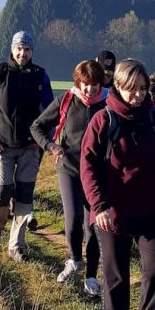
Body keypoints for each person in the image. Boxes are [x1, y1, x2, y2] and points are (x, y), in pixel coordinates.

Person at [80, 58, 155, 310]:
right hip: (112, 214)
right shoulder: (104, 120)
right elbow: (88, 166)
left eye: (142, 89)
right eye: (130, 89)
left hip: (153, 209)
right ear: (118, 87)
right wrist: (98, 206)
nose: (137, 95)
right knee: (115, 276)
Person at [0, 30, 53, 261]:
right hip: (3, 148)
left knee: (24, 198)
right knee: (2, 194)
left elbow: (51, 112)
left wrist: (42, 143)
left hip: (30, 149)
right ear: (12, 49)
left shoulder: (40, 76)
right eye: (19, 48)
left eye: (27, 49)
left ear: (32, 51)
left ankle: (16, 246)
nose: (22, 53)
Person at [31, 59, 107, 296]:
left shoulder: (108, 103)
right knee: (73, 220)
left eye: (94, 85)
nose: (90, 90)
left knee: (92, 226)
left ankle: (92, 277)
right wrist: (51, 146)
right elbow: (37, 126)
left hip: (97, 174)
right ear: (78, 82)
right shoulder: (66, 99)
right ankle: (74, 260)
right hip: (69, 168)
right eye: (85, 84)